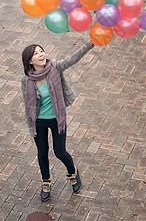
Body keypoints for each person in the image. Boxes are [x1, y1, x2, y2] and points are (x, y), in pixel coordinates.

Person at [21, 40, 94, 201]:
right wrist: (31, 128)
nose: (41, 55)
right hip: (38, 121)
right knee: (42, 153)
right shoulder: (26, 79)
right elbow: (28, 105)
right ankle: (46, 181)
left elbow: (72, 59)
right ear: (29, 61)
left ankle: (73, 173)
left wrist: (88, 45)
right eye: (36, 54)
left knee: (60, 151)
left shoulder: (54, 67)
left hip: (57, 118)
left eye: (41, 51)